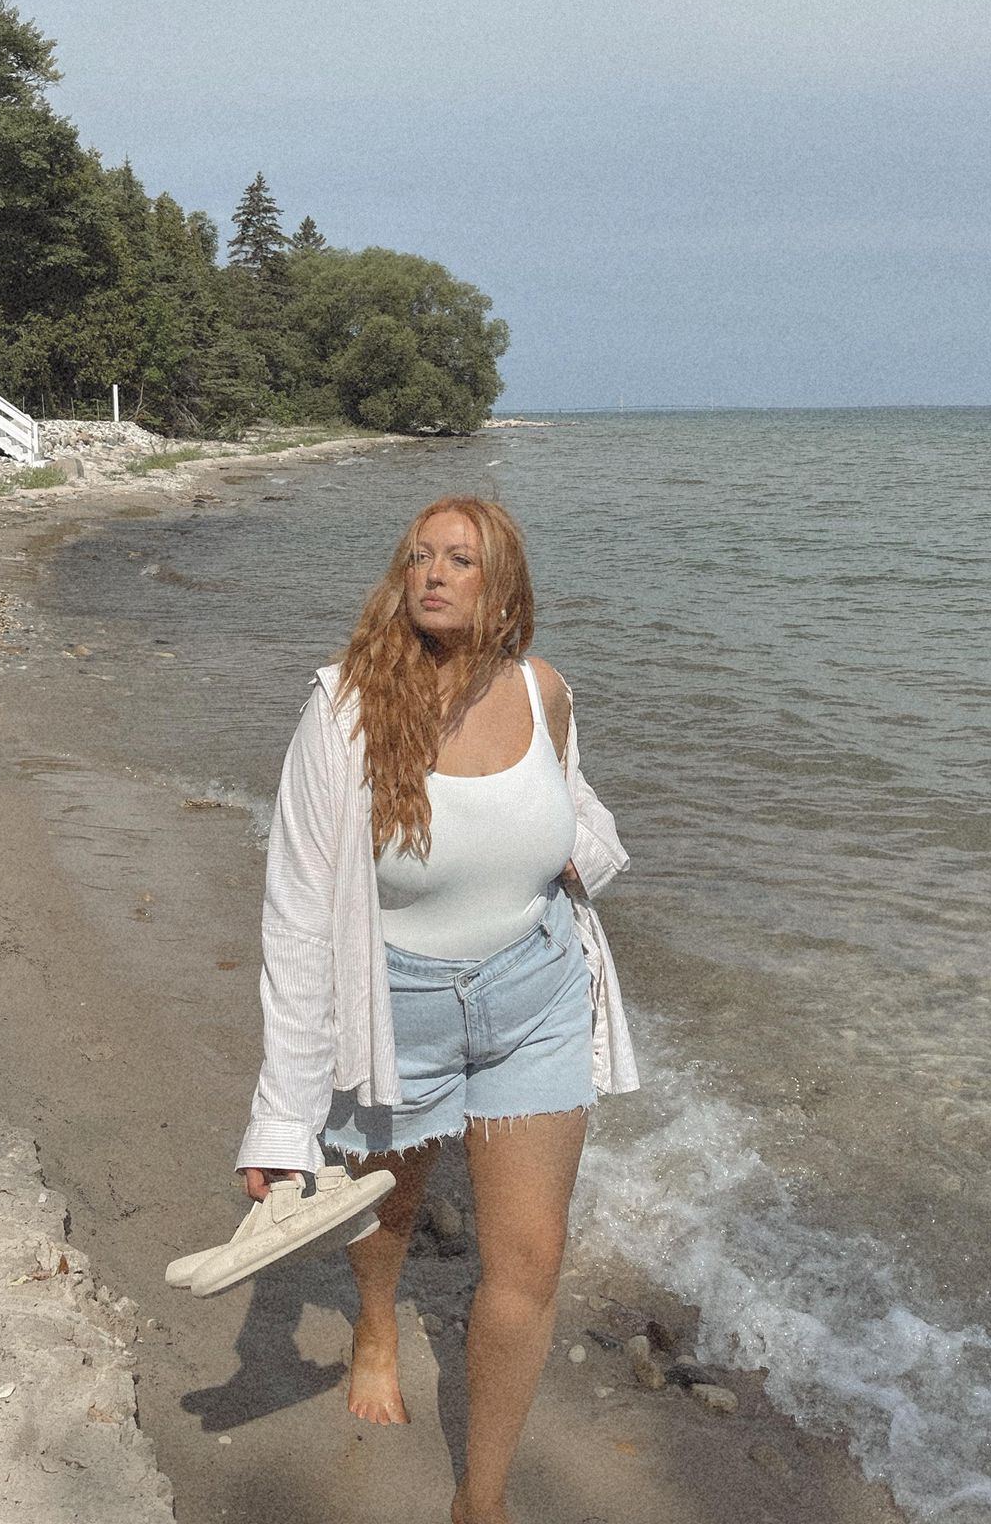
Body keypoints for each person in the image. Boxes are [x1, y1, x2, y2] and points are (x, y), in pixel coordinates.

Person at [237, 496, 637, 1524]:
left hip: (537, 995)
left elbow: (577, 805)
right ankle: (377, 1319)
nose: (434, 573)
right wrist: (280, 1120)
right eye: (420, 556)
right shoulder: (344, 709)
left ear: (504, 586)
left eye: (461, 559)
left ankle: (482, 1498)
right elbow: (295, 918)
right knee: (392, 1205)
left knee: (531, 1258)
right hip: (397, 1006)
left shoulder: (545, 691)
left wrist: (580, 852)